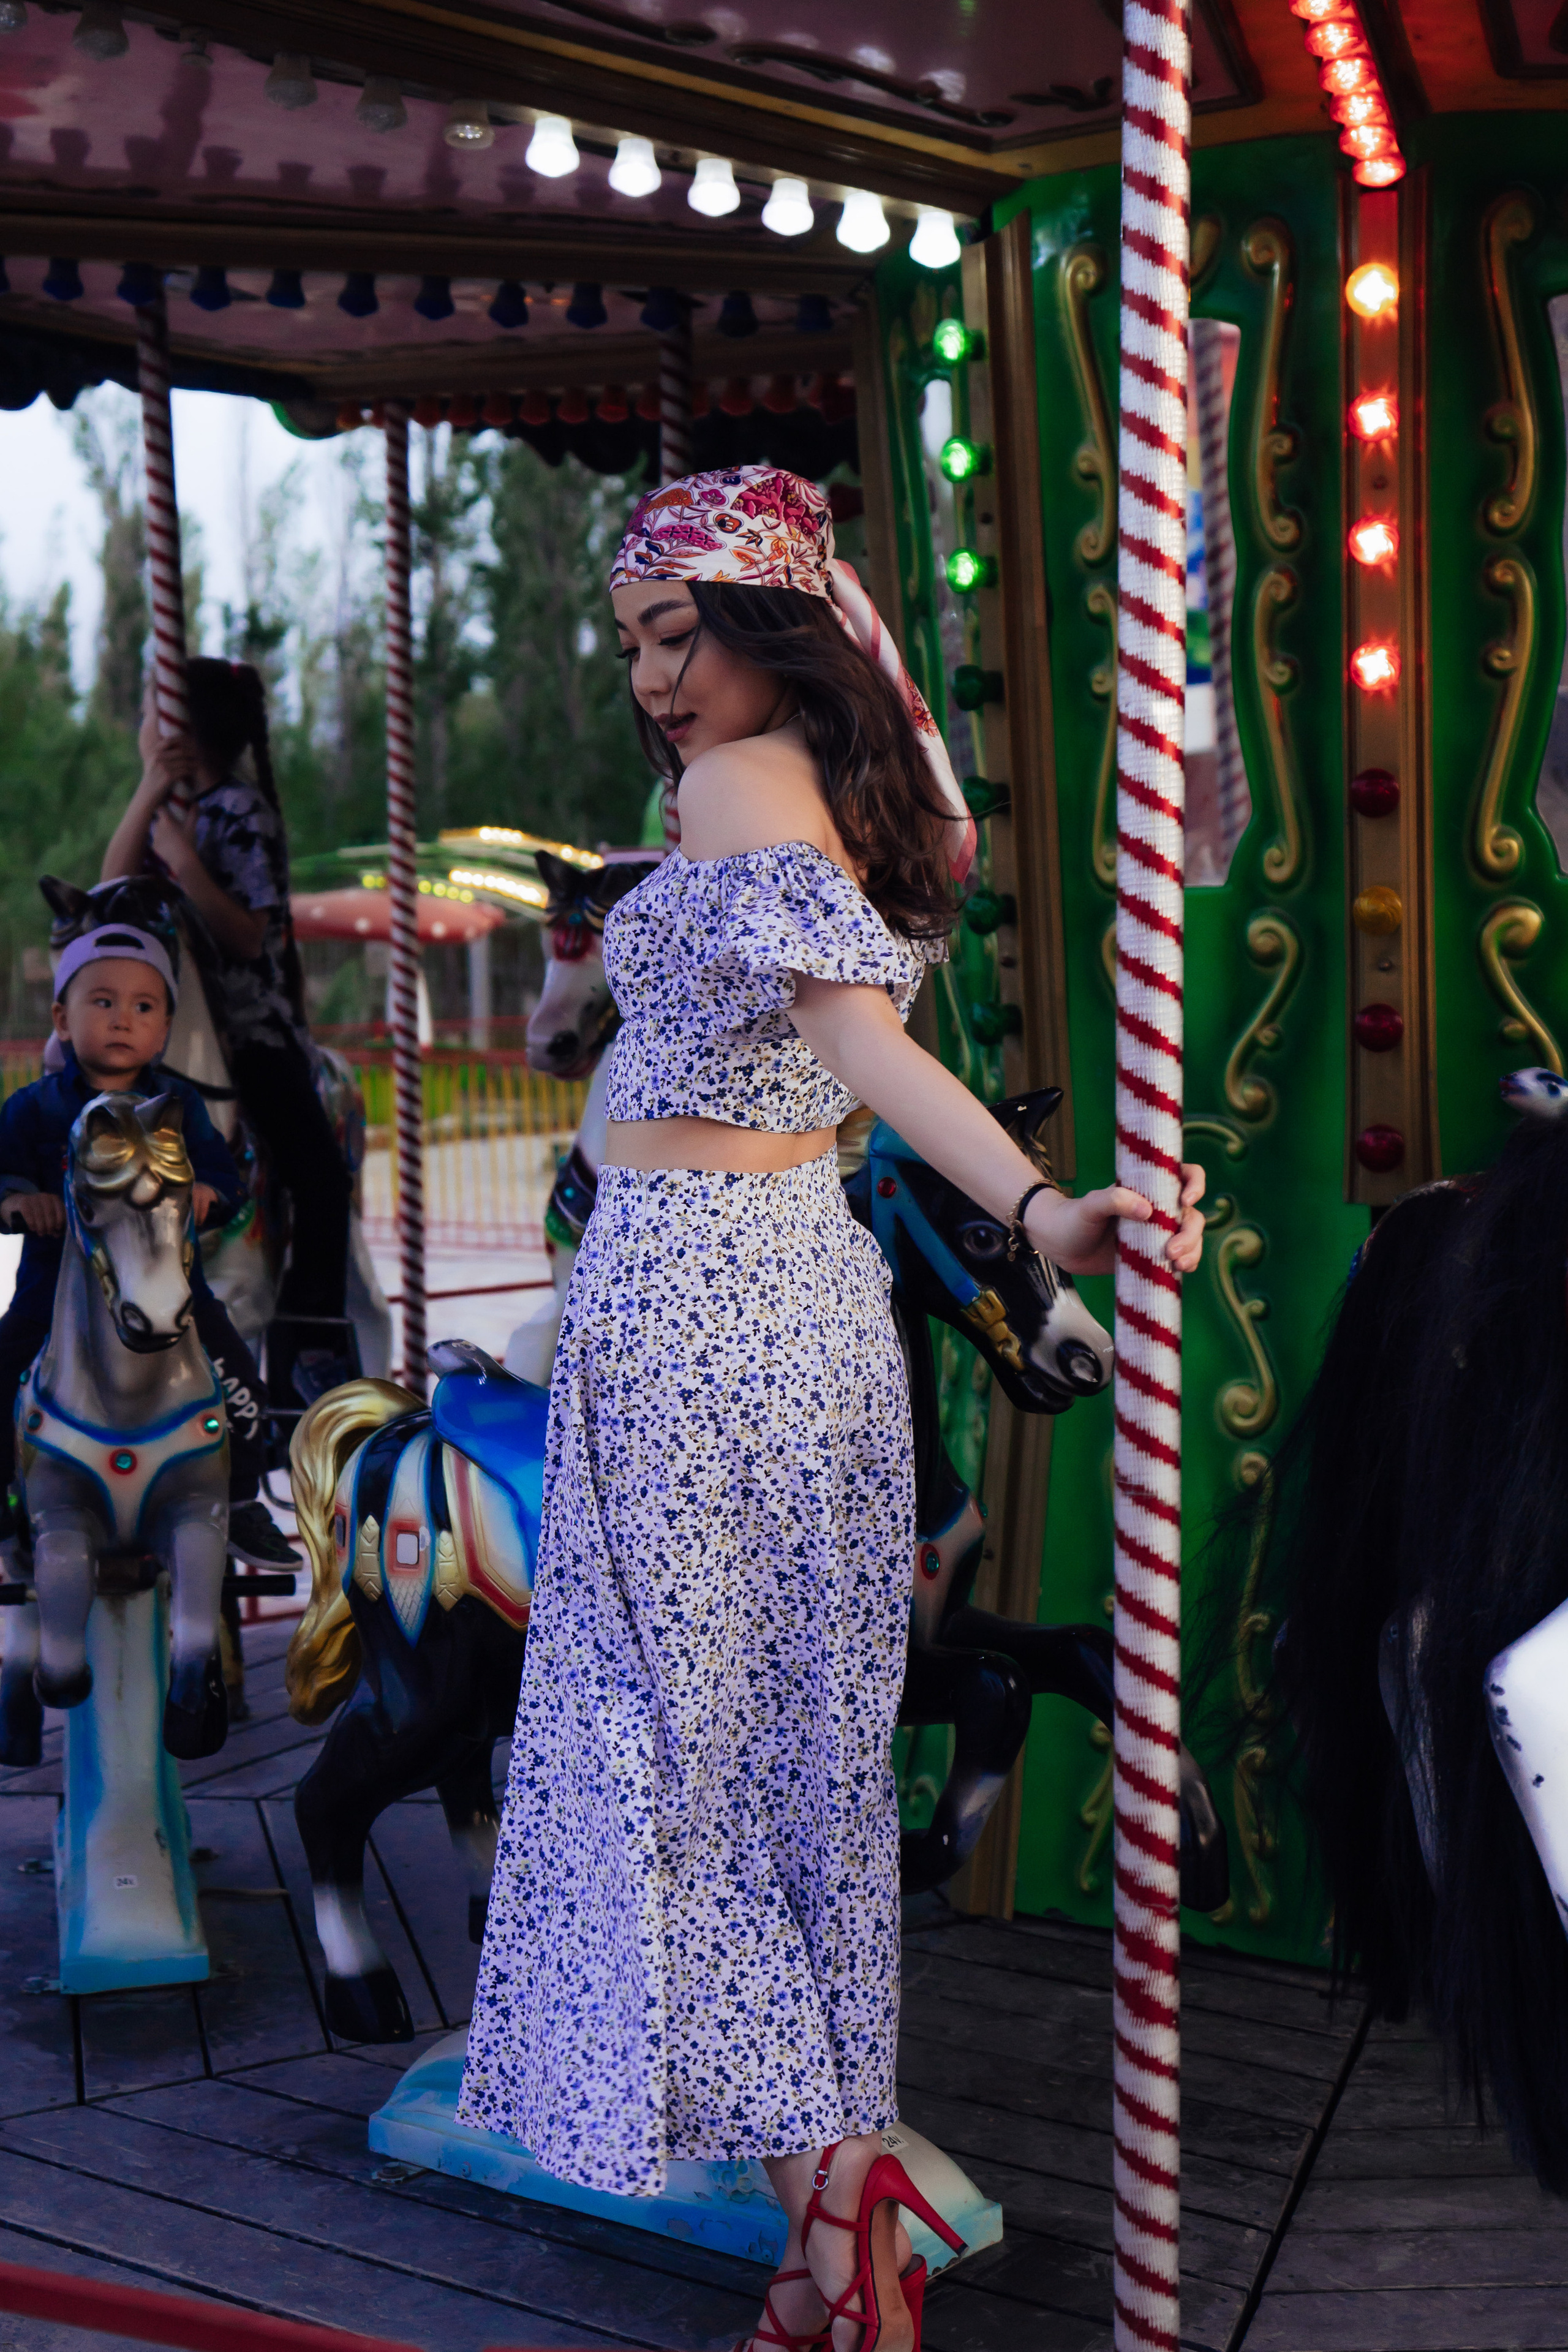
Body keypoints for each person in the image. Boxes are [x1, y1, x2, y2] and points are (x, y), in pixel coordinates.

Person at [458, 467, 1206, 2352]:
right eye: (628, 642)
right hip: (805, 1299)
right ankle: (826, 2243)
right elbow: (865, 1041)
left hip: (687, 1296)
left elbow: (856, 1037)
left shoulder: (734, 784)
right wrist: (1036, 1208)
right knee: (795, 1774)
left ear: (768, 626)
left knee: (661, 1766)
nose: (648, 682)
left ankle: (839, 2185)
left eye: (671, 634)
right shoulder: (855, 799)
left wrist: (1040, 1211)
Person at [0, 925, 293, 1574]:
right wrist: (19, 1202)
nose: (122, 1020)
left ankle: (241, 1498)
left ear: (164, 1028)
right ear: (63, 1019)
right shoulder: (32, 1111)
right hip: (57, 1290)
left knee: (241, 1379)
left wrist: (211, 1196)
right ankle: (6, 1493)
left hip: (166, 1283)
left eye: (143, 1006)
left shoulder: (179, 1111)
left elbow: (225, 1178)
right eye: (102, 1002)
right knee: (5, 1364)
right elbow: (4, 1176)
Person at [101, 661, 354, 1395]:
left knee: (320, 1179)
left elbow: (248, 937)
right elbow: (108, 896)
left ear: (180, 726)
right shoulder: (166, 807)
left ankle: (311, 1343)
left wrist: (184, 859)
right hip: (163, 1031)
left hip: (248, 1035)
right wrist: (150, 791)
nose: (142, 724)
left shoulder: (239, 812)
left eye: (151, 708)